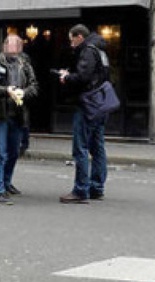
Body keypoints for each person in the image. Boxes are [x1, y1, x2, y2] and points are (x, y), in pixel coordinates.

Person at [0, 34, 39, 205]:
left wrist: (23, 92)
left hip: (18, 114)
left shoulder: (25, 64)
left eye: (17, 48)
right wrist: (6, 90)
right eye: (11, 48)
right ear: (4, 46)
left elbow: (34, 86)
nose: (14, 52)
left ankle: (6, 182)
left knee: (13, 152)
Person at [56, 24, 110, 204]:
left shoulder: (88, 50)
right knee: (97, 146)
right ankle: (96, 187)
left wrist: (66, 77)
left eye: (72, 39)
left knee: (81, 147)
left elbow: (83, 77)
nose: (71, 43)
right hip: (101, 103)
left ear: (79, 36)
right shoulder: (101, 50)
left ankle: (81, 190)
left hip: (88, 105)